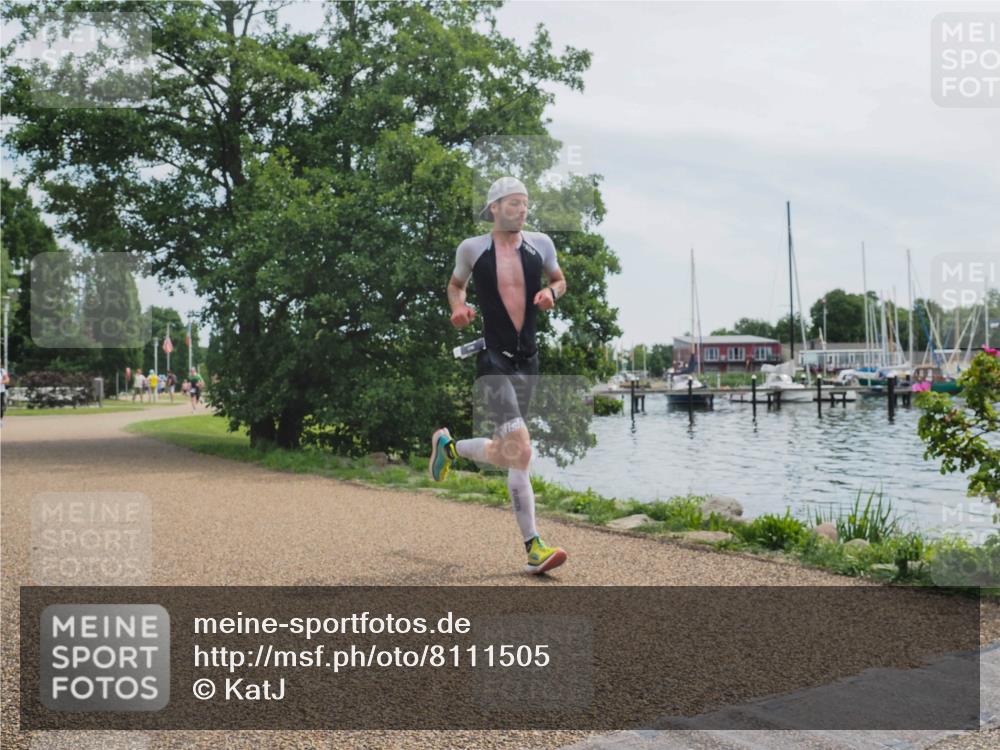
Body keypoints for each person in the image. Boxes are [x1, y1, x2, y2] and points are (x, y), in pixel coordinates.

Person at [429, 176, 568, 575]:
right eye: (513, 204)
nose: (522, 210)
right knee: (522, 449)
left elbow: (559, 279)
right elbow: (456, 287)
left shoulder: (540, 244)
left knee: (506, 451)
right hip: (492, 360)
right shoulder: (473, 249)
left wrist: (551, 294)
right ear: (494, 208)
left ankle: (450, 449)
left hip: (528, 359)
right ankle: (534, 547)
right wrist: (458, 308)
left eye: (525, 204)